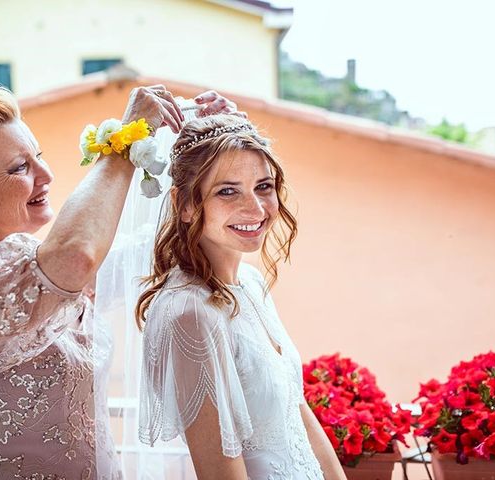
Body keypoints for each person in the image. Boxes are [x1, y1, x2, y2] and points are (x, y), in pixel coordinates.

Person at [0, 84, 239, 479]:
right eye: (19, 168)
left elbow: (157, 246)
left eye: (38, 157)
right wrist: (123, 142)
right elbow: (77, 256)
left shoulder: (31, 267)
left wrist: (212, 140)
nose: (46, 175)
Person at [136, 114, 347, 479]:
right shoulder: (190, 313)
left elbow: (298, 416)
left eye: (263, 186)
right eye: (228, 190)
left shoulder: (250, 284)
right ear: (185, 205)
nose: (257, 208)